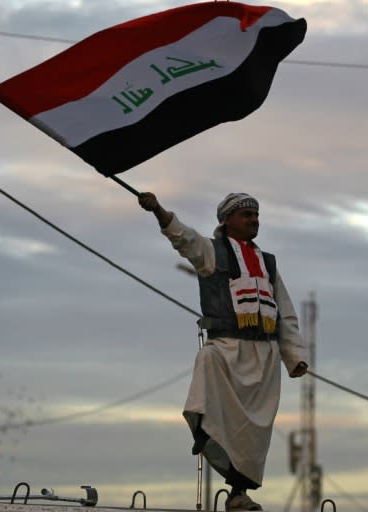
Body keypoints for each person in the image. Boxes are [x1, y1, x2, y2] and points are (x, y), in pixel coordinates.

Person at [138, 191, 308, 511]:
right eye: (247, 215)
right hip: (227, 349)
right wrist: (158, 210)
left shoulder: (267, 262)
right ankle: (204, 427)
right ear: (227, 220)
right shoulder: (213, 252)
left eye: (256, 216)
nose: (254, 221)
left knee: (253, 437)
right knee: (208, 361)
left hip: (265, 359)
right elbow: (183, 238)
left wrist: (294, 356)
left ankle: (238, 493)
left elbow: (284, 312)